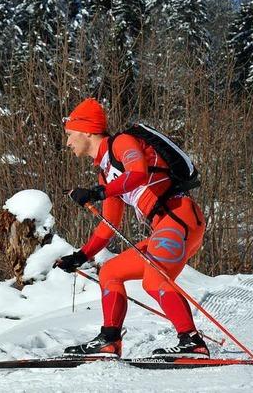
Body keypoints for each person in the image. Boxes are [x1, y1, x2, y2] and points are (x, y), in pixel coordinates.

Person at [54, 97, 208, 359]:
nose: (67, 142)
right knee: (111, 271)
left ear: (87, 131)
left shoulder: (122, 143)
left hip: (180, 218)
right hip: (164, 227)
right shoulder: (106, 173)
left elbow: (137, 172)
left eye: (70, 134)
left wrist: (98, 192)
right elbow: (109, 226)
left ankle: (192, 342)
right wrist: (81, 256)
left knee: (154, 278)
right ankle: (109, 341)